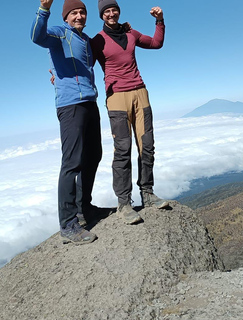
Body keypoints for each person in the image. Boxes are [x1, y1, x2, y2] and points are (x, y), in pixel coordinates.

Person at [31, 0, 103, 244]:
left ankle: (85, 208)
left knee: (93, 155)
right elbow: (37, 37)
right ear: (66, 17)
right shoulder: (60, 34)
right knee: (71, 163)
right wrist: (43, 10)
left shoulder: (85, 40)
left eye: (82, 12)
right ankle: (68, 224)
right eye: (74, 12)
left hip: (89, 102)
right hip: (70, 105)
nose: (79, 15)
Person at [92, 0, 169, 224]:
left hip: (140, 93)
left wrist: (159, 20)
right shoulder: (97, 40)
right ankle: (124, 203)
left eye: (114, 9)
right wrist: (58, 76)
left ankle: (147, 193)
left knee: (147, 146)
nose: (111, 13)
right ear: (102, 15)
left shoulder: (131, 33)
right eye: (106, 11)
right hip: (116, 98)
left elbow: (156, 43)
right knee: (122, 149)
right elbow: (82, 62)